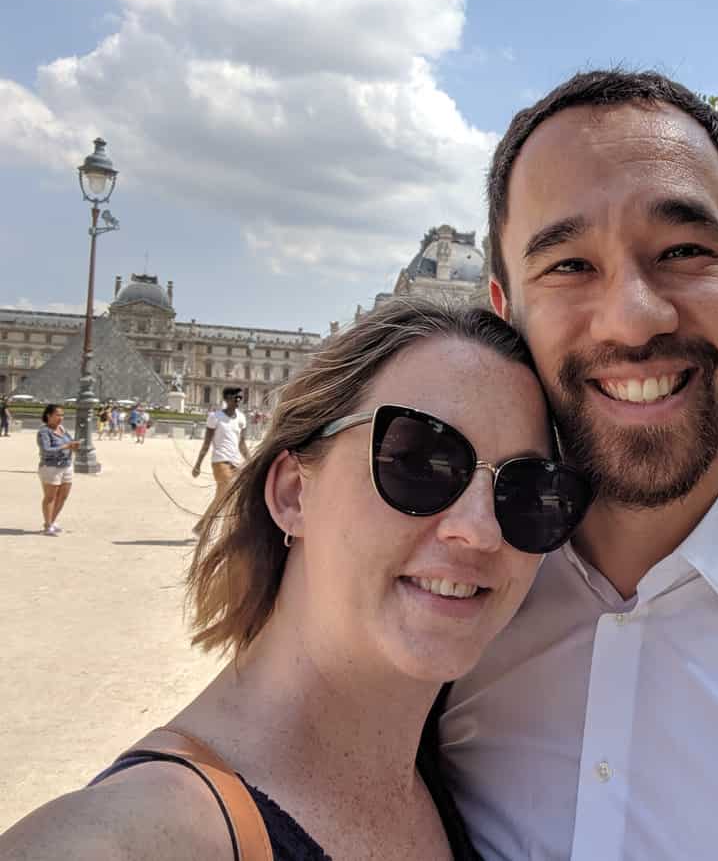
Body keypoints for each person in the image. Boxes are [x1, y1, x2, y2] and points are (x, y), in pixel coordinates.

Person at [439, 69, 718, 860]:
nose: (636, 318)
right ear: (505, 315)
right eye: (570, 265)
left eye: (681, 250)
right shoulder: (440, 610)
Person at [0, 300, 592, 860]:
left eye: (530, 490)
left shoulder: (478, 776)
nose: (481, 530)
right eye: (417, 462)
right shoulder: (128, 837)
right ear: (292, 492)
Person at [191, 386, 249, 535]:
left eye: (240, 397)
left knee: (222, 497)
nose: (238, 400)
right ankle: (227, 531)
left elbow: (242, 444)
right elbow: (206, 442)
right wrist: (197, 464)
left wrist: (250, 461)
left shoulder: (242, 418)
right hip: (220, 461)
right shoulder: (215, 417)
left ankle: (201, 526)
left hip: (235, 462)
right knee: (227, 493)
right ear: (226, 398)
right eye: (235, 397)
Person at [35, 403, 80, 536]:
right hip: (51, 467)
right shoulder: (44, 431)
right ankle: (48, 525)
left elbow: (69, 443)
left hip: (66, 465)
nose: (61, 417)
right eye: (58, 415)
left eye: (62, 415)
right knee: (50, 497)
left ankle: (52, 521)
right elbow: (46, 450)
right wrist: (66, 447)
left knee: (63, 496)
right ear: (48, 416)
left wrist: (74, 446)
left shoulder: (62, 429)